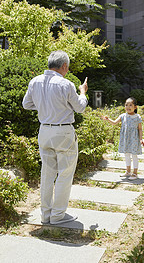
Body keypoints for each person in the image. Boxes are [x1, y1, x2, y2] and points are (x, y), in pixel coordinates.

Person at [22, 50, 88, 225]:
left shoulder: (34, 81)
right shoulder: (66, 84)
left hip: (44, 131)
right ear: (64, 66)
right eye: (67, 68)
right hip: (63, 131)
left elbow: (26, 104)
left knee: (47, 173)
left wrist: (46, 107)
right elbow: (80, 107)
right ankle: (58, 215)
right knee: (65, 173)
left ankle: (45, 215)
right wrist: (83, 92)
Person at [101, 97, 144, 180]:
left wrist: (141, 139)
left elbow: (140, 129)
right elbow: (114, 123)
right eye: (126, 105)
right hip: (125, 139)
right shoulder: (123, 116)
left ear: (135, 107)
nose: (128, 107)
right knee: (127, 155)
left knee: (134, 155)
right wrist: (108, 119)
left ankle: (135, 173)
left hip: (134, 139)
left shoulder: (137, 117)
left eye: (130, 105)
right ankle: (128, 172)